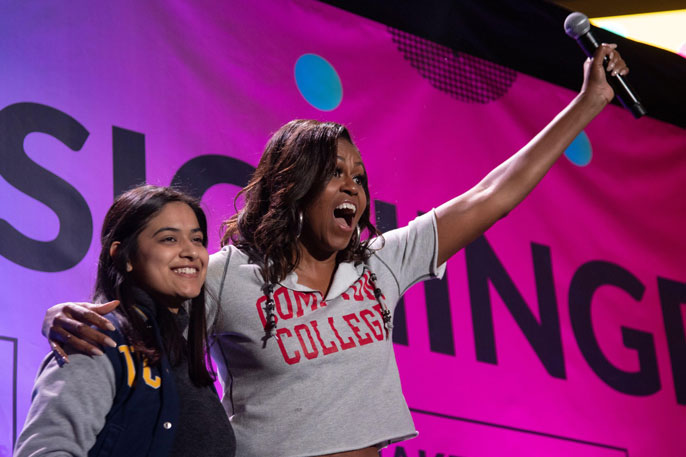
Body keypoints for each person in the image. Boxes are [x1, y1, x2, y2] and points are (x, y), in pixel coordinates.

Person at [41, 44, 628, 457]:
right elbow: (149, 312)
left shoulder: (381, 266)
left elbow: (492, 196)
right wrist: (63, 315)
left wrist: (588, 103)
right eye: (334, 173)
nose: (353, 186)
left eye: (359, 176)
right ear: (291, 187)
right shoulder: (226, 276)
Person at [15, 186, 236, 457]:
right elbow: (46, 450)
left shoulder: (179, 347)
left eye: (197, 239)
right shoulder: (98, 338)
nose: (191, 252)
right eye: (169, 239)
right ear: (124, 256)